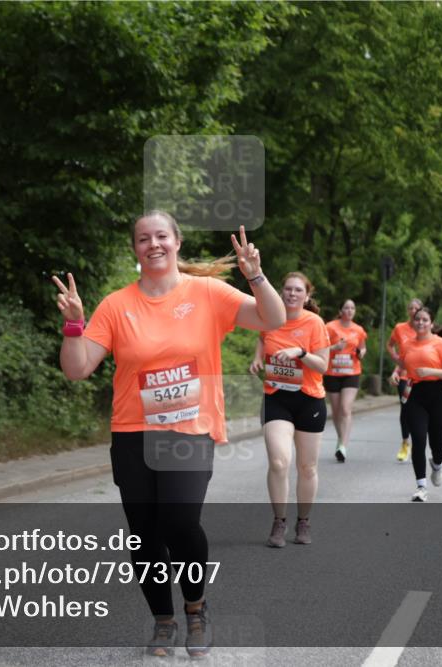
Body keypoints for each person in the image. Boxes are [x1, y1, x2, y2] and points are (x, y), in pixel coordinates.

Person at [53, 212, 284, 658]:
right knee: (144, 534)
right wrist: (74, 324)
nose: (153, 244)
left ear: (177, 242)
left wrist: (254, 274)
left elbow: (271, 320)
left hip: (189, 428)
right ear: (135, 249)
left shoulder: (207, 293)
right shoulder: (116, 305)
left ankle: (195, 609)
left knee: (178, 522)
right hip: (133, 432)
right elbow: (77, 369)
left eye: (161, 236)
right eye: (144, 238)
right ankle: (163, 619)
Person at [250, 272, 329, 547]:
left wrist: (301, 353)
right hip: (277, 397)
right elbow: (262, 338)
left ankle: (303, 521)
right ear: (281, 292)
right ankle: (279, 521)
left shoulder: (315, 323)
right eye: (287, 289)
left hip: (309, 400)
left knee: (307, 467)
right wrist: (258, 358)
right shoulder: (271, 316)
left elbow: (323, 366)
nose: (292, 294)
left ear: (306, 297)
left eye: (298, 290)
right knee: (279, 461)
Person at [392, 307, 442, 502]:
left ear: (431, 323)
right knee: (418, 440)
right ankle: (421, 486)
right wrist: (395, 374)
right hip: (416, 395)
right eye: (417, 319)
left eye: (424, 320)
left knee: (438, 444)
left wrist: (431, 371)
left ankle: (436, 465)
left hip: (438, 394)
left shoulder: (441, 344)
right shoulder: (406, 344)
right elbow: (403, 364)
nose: (420, 323)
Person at [323, 299, 367, 462]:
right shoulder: (330, 327)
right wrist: (335, 348)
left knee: (345, 408)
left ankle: (343, 445)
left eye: (352, 308)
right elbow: (319, 347)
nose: (349, 311)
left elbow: (362, 347)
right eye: (346, 308)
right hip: (332, 372)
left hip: (351, 372)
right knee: (336, 411)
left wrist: (361, 353)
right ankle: (341, 438)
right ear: (340, 310)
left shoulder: (358, 330)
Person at [386, 298, 423, 462]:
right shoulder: (400, 328)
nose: (414, 311)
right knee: (406, 408)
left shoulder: (425, 328)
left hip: (422, 376)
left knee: (420, 410)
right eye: (411, 308)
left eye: (417, 308)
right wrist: (396, 360)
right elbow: (390, 345)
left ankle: (418, 442)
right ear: (408, 311)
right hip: (404, 376)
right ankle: (405, 443)